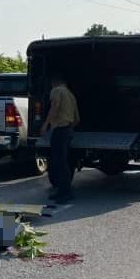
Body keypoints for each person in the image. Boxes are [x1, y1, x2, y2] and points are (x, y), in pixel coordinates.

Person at [40, 74, 80, 204]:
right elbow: (77, 119)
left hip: (59, 130)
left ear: (54, 82)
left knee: (59, 162)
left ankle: (65, 192)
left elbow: (54, 106)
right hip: (68, 130)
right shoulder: (70, 94)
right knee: (63, 161)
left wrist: (46, 124)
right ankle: (63, 191)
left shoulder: (56, 90)